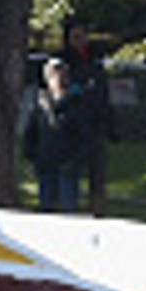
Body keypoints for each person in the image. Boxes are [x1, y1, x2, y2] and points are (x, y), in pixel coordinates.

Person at [59, 19, 112, 213]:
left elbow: (103, 88)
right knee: (71, 169)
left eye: (83, 36)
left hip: (95, 121)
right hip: (73, 124)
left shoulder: (95, 56)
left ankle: (97, 209)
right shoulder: (63, 59)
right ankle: (69, 209)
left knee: (97, 171)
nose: (81, 40)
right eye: (76, 37)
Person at [26, 56, 91, 212]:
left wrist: (76, 160)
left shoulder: (77, 103)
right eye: (54, 75)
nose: (59, 79)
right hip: (46, 163)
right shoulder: (40, 104)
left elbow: (85, 136)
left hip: (67, 165)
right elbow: (31, 133)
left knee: (67, 209)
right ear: (48, 79)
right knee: (46, 208)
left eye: (62, 75)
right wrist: (32, 158)